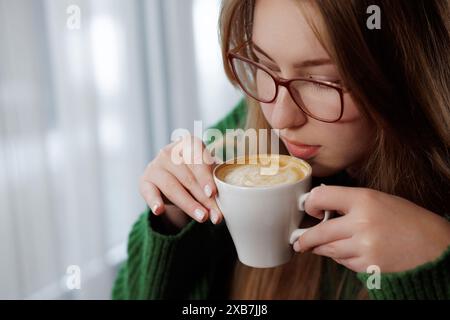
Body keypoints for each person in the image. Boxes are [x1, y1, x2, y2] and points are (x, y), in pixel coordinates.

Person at [112, 0, 450, 299]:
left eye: (322, 82)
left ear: (407, 71)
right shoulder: (240, 138)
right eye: (265, 65)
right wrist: (173, 220)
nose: (280, 117)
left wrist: (437, 265)